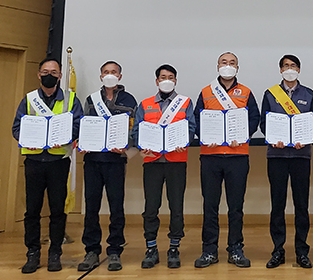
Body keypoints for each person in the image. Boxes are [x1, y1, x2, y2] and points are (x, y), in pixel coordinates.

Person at [11, 58, 82, 274]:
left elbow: (78, 125)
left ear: (60, 76)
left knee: (58, 210)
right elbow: (16, 128)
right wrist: (27, 139)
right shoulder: (29, 99)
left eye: (53, 72)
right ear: (38, 74)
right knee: (32, 210)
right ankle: (32, 253)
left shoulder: (71, 99)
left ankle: (55, 253)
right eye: (45, 71)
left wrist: (66, 137)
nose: (48, 75)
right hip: (34, 161)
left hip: (58, 162)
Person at [192, 52, 260, 268]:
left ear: (237, 68)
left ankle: (236, 249)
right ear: (217, 66)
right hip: (210, 156)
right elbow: (196, 119)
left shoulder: (246, 92)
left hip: (237, 156)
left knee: (236, 206)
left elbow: (254, 118)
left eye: (232, 63)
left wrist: (242, 134)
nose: (227, 66)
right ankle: (209, 250)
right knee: (210, 205)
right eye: (224, 62)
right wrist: (205, 136)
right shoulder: (206, 92)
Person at [259, 54, 313, 269]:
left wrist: (306, 138)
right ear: (280, 70)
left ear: (299, 70)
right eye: (286, 66)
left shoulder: (309, 94)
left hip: (301, 156)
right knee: (278, 205)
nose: (289, 69)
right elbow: (264, 123)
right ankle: (278, 250)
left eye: (293, 66)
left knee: (302, 205)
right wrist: (273, 138)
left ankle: (302, 251)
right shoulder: (270, 94)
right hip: (277, 156)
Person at [133, 64, 196, 269]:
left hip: (176, 162)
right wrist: (141, 145)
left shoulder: (185, 102)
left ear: (175, 81)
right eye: (162, 77)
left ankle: (174, 248)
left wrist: (185, 141)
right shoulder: (145, 104)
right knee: (151, 207)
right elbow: (137, 130)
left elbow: (191, 127)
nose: (166, 80)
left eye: (170, 77)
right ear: (157, 81)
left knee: (176, 207)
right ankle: (151, 248)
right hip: (152, 162)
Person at [77, 61, 137, 272]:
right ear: (101, 76)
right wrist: (82, 142)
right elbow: (83, 126)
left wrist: (126, 149)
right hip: (93, 161)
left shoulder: (129, 100)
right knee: (91, 207)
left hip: (116, 162)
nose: (109, 75)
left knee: (116, 207)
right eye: (106, 72)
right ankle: (91, 250)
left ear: (120, 76)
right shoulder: (91, 100)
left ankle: (114, 251)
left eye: (113, 72)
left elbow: (134, 130)